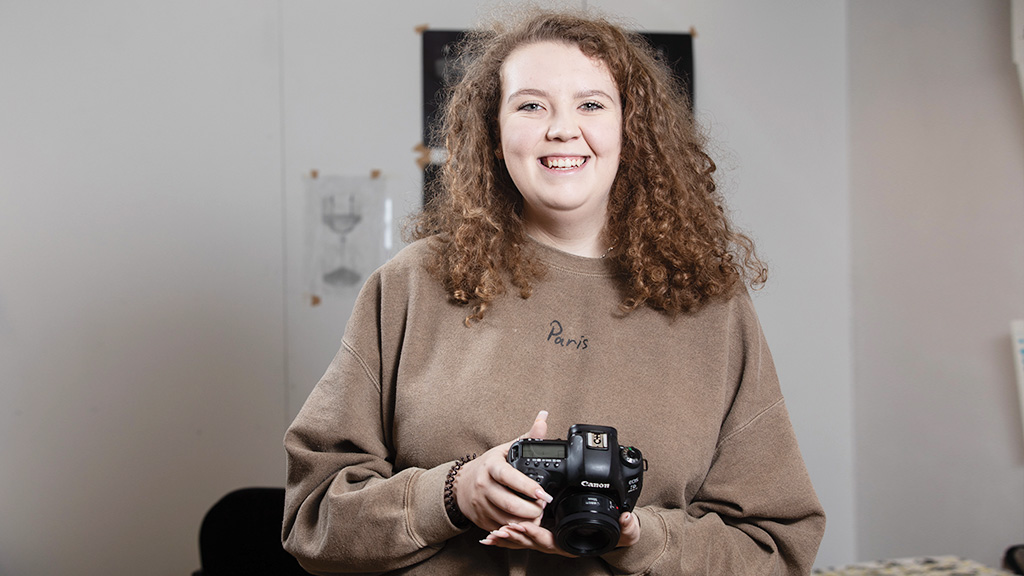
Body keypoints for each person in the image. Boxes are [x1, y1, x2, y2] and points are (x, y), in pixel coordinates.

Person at [282, 8, 825, 575]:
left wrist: (639, 540)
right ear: (494, 135)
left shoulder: (713, 307)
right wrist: (453, 494)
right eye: (531, 105)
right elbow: (312, 518)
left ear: (630, 131)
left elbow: (776, 549)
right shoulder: (411, 286)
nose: (563, 128)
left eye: (591, 104)